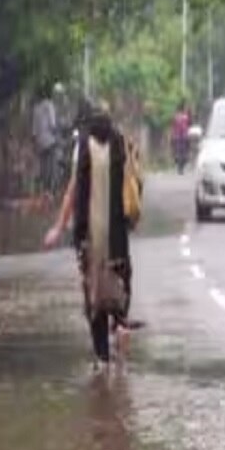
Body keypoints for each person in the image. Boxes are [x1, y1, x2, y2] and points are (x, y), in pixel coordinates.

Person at [42, 103, 133, 366]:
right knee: (119, 290)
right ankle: (120, 332)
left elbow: (72, 191)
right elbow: (132, 185)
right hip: (117, 240)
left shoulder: (81, 148)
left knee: (94, 297)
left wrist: (59, 227)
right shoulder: (120, 143)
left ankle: (102, 360)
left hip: (89, 239)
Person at [32, 83, 59, 197]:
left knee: (43, 166)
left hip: (40, 141)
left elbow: (33, 130)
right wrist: (58, 134)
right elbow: (53, 125)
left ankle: (43, 190)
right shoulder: (49, 105)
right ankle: (50, 191)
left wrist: (36, 141)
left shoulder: (36, 108)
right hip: (50, 141)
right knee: (52, 166)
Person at [171, 101, 192, 174]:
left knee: (177, 150)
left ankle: (177, 160)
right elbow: (189, 124)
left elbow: (173, 125)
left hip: (178, 137)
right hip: (183, 137)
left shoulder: (176, 116)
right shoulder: (185, 116)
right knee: (185, 151)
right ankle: (181, 161)